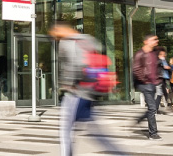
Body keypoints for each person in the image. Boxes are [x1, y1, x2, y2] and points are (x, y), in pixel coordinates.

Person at [49, 22, 127, 156]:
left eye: (54, 33)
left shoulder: (67, 42)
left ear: (60, 30)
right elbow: (99, 50)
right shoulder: (86, 39)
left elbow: (76, 65)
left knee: (65, 130)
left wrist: (67, 84)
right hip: (90, 92)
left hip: (76, 93)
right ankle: (120, 153)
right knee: (96, 132)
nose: (55, 37)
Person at [133, 33, 163, 140]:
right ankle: (153, 133)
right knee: (152, 108)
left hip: (153, 84)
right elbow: (136, 69)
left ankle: (140, 119)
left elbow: (157, 69)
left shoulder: (154, 54)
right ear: (146, 41)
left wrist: (158, 79)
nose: (156, 41)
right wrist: (145, 81)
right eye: (154, 39)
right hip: (145, 84)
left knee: (152, 108)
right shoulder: (140, 54)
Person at [156, 48, 173, 114]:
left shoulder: (165, 61)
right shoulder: (158, 61)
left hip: (165, 79)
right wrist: (163, 66)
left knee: (163, 93)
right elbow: (157, 66)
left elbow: (169, 68)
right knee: (161, 93)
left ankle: (158, 108)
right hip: (160, 79)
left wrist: (169, 68)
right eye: (162, 54)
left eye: (164, 54)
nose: (164, 55)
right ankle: (156, 108)